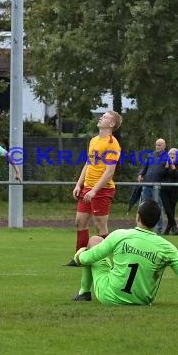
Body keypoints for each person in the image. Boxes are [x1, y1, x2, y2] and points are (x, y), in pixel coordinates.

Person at [71, 199, 178, 304]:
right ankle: (85, 292)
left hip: (109, 296)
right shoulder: (167, 247)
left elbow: (88, 258)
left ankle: (84, 292)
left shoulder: (119, 235)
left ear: (138, 216)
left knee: (94, 241)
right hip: (141, 301)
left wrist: (79, 256)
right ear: (157, 221)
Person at [65, 110, 123, 266]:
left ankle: (107, 261)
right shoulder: (94, 140)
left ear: (111, 124)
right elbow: (88, 163)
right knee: (80, 222)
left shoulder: (112, 143)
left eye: (104, 117)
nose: (101, 118)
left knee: (100, 226)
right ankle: (80, 259)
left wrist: (95, 190)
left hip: (102, 190)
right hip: (88, 188)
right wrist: (79, 184)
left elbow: (110, 171)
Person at [137, 138, 167, 233]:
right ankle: (141, 227)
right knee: (143, 206)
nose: (157, 147)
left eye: (159, 145)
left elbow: (169, 172)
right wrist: (140, 175)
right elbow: (144, 168)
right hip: (147, 185)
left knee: (158, 208)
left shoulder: (167, 157)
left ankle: (158, 229)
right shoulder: (150, 155)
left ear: (164, 146)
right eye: (156, 145)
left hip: (158, 187)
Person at [161, 148, 178, 235]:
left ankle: (168, 230)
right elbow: (161, 175)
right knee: (167, 209)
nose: (171, 155)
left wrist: (173, 168)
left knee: (172, 209)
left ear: (177, 155)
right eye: (170, 154)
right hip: (164, 190)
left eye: (173, 154)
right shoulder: (163, 164)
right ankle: (175, 227)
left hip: (174, 190)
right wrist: (166, 167)